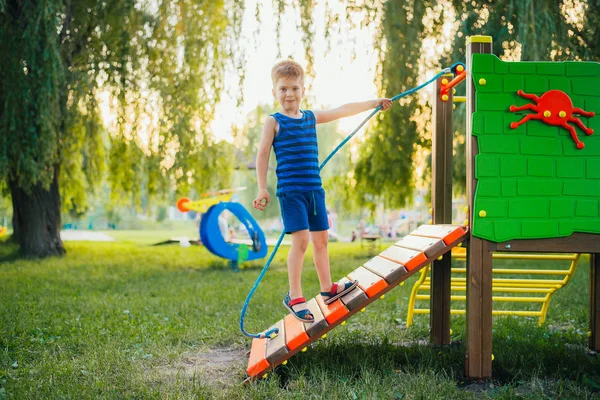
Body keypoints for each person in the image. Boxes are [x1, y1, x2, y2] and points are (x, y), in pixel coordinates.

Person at [252, 59, 393, 322]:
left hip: (314, 191)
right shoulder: (274, 121)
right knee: (301, 241)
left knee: (321, 241)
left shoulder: (310, 117)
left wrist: (374, 102)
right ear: (274, 92)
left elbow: (343, 110)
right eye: (283, 89)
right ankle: (294, 296)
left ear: (303, 89)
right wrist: (262, 188)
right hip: (291, 192)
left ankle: (328, 289)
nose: (289, 94)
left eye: (294, 88)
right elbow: (262, 155)